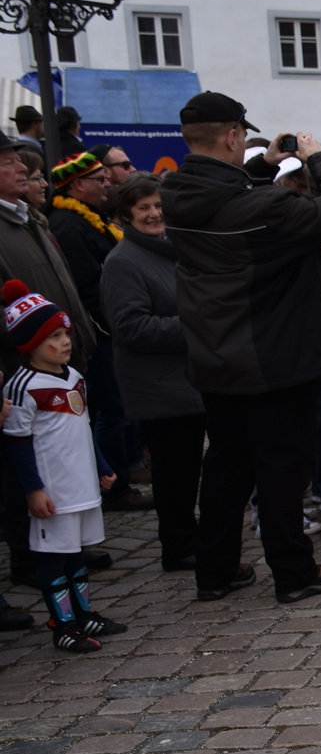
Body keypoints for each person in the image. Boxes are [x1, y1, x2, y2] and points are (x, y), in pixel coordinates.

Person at [159, 90, 321, 605]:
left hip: (217, 357)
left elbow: (232, 205)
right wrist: (320, 160)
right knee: (282, 469)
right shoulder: (260, 207)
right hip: (272, 356)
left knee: (227, 467)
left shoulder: (175, 195)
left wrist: (262, 167)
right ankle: (294, 571)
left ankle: (215, 570)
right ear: (232, 136)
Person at [1, 281, 125, 651]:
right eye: (54, 336)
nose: (65, 341)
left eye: (65, 333)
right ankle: (63, 625)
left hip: (79, 486)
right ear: (30, 343)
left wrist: (100, 466)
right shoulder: (22, 386)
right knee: (54, 559)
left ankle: (83, 614)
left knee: (75, 555)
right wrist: (33, 490)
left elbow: (82, 428)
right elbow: (17, 443)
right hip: (52, 491)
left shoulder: (74, 377)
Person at [100, 173, 204, 572]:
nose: (154, 213)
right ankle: (178, 547)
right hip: (158, 387)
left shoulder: (170, 248)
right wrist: (195, 325)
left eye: (159, 205)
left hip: (184, 381)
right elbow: (131, 327)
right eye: (143, 207)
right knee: (173, 473)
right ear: (127, 214)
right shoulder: (123, 262)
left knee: (187, 468)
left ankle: (188, 538)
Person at [46, 151, 143, 514]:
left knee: (117, 407)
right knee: (110, 411)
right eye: (99, 179)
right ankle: (115, 486)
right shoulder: (69, 225)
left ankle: (125, 472)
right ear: (76, 186)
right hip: (101, 331)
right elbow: (89, 286)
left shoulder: (89, 217)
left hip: (110, 327)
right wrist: (117, 319)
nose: (106, 184)